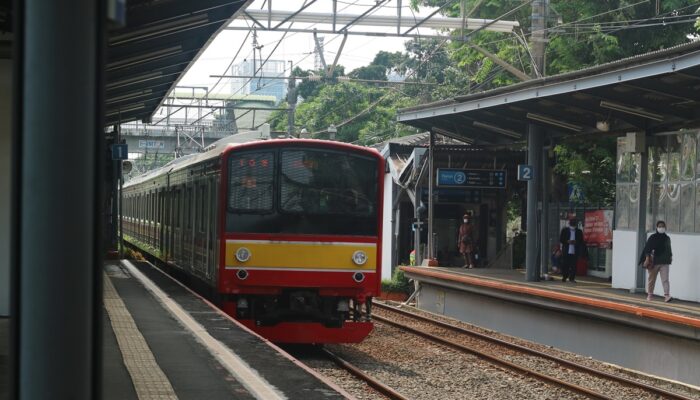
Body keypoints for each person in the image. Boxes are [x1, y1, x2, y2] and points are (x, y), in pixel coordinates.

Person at [638, 221, 673, 302]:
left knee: (665, 279)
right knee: (652, 279)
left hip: (664, 262)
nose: (661, 228)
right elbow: (647, 248)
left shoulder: (667, 238)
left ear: (665, 227)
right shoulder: (653, 237)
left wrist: (670, 256)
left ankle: (667, 296)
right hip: (654, 262)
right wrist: (647, 258)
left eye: (663, 226)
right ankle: (650, 295)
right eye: (660, 226)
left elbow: (669, 249)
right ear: (657, 227)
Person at [559, 218, 584, 283]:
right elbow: (561, 239)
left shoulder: (579, 231)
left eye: (574, 222)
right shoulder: (565, 230)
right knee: (565, 264)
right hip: (566, 250)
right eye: (572, 222)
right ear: (569, 223)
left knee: (573, 265)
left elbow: (581, 241)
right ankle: (564, 277)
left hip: (575, 251)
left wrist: (575, 242)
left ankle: (572, 278)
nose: (573, 224)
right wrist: (567, 241)